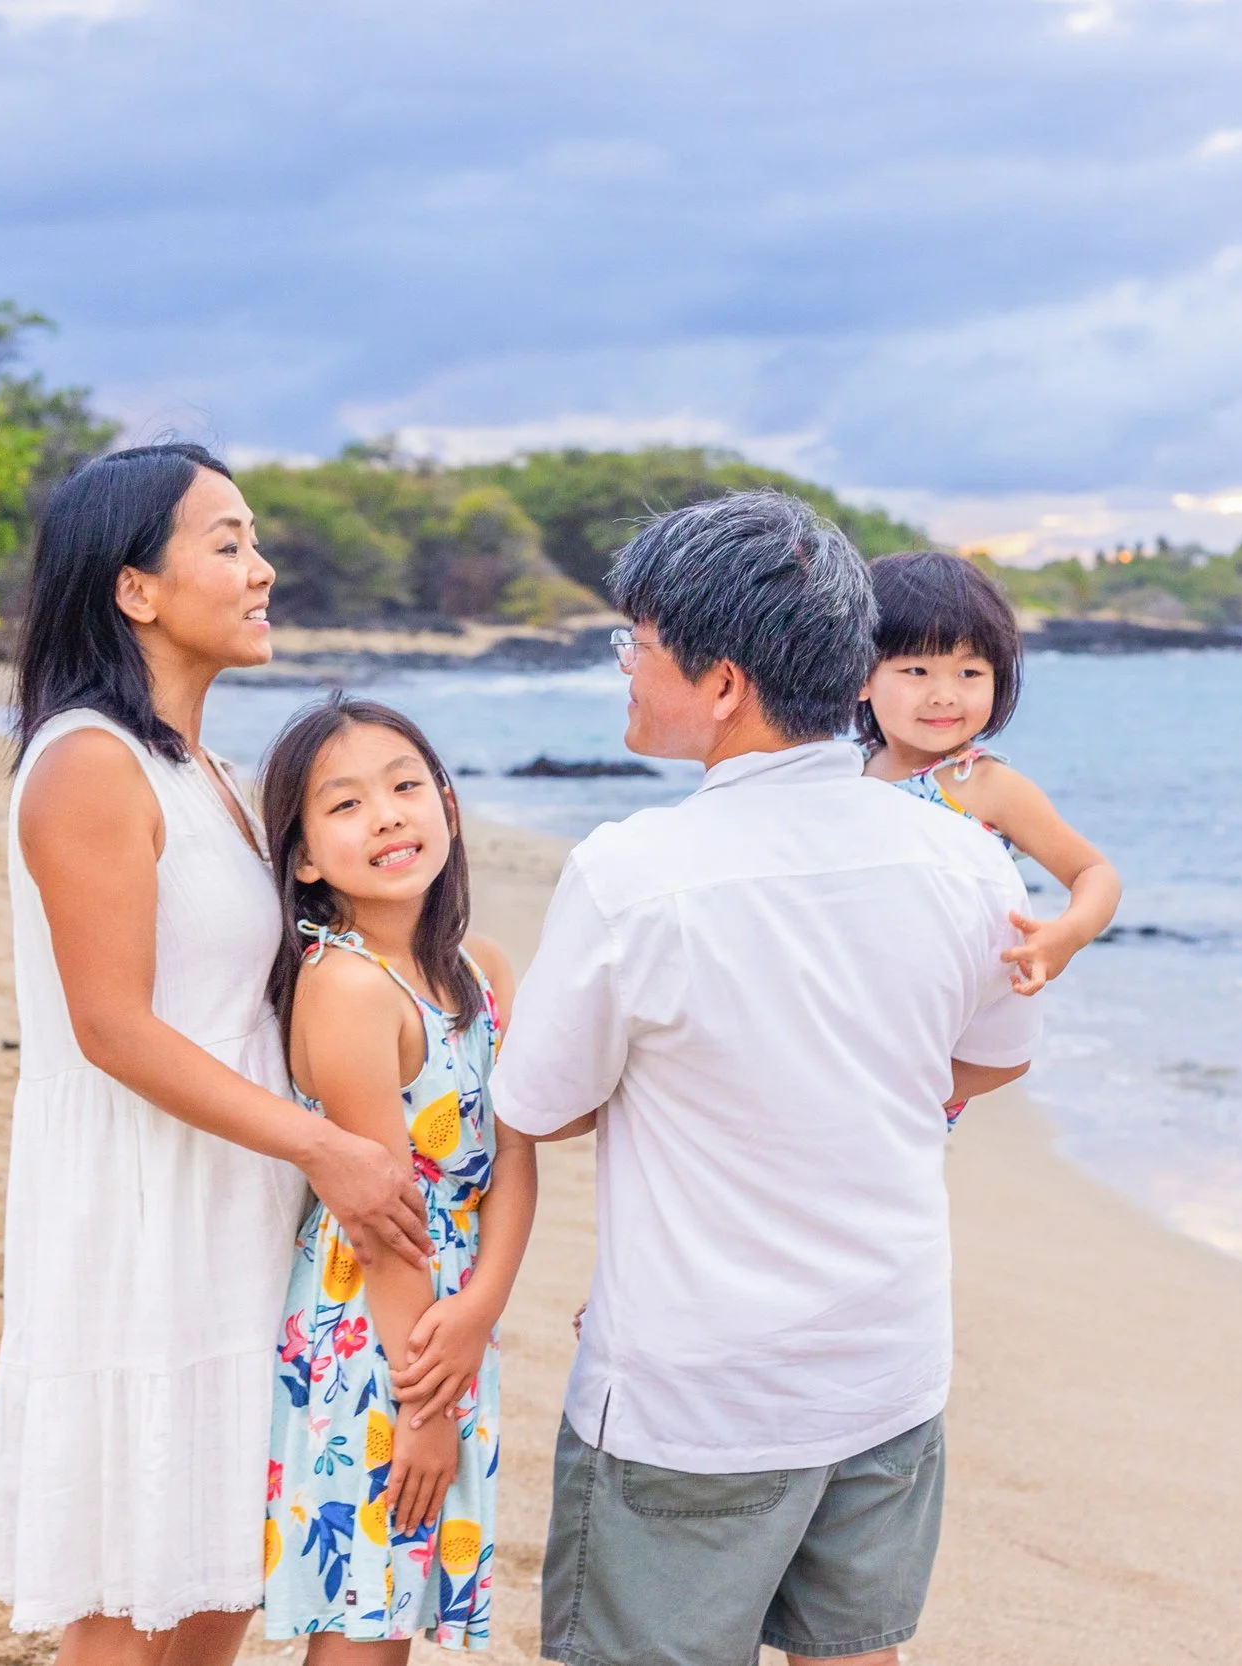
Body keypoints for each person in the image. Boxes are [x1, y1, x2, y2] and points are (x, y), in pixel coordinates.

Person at [490, 492, 1041, 1666]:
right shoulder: (960, 854)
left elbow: (545, 1102)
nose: (625, 668)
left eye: (634, 643)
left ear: (723, 679)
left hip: (697, 1393)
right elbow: (987, 1058)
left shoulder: (635, 872)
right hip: (885, 1360)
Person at [0, 444, 436, 1666]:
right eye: (226, 542)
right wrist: (329, 1147)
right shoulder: (88, 761)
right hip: (146, 1210)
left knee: (221, 1573)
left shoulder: (214, 776)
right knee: (133, 1596)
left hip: (240, 1199)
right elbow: (112, 1026)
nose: (261, 567)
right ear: (136, 589)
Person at [257, 694, 536, 1654]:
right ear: (302, 858)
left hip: (453, 1323)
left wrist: (480, 1310)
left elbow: (513, 1163)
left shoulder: (481, 965)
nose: (385, 816)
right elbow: (381, 1221)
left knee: (397, 1616)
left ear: (448, 807)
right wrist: (424, 1404)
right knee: (365, 1621)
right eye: (343, 805)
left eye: (406, 786)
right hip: (379, 1335)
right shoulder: (343, 987)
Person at [856, 551, 1121, 1127]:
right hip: (862, 998)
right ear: (859, 675)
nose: (945, 694)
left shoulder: (985, 783)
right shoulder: (844, 770)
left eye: (969, 673)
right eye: (916, 671)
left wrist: (1065, 937)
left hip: (948, 1026)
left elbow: (1094, 874)